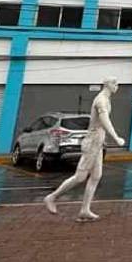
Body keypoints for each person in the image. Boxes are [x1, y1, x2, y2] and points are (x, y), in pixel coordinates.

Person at [44, 77, 126, 221]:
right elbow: (105, 121)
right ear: (107, 85)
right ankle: (52, 197)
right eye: (115, 83)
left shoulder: (106, 99)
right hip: (93, 141)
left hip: (98, 142)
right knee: (80, 176)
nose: (117, 86)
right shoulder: (101, 100)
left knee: (96, 176)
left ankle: (85, 210)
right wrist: (116, 137)